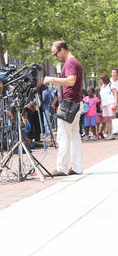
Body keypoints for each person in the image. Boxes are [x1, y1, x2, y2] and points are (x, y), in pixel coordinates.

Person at [43, 41, 83, 176]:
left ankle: (62, 167)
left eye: (56, 54)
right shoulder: (74, 61)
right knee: (74, 136)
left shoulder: (70, 62)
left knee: (63, 136)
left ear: (63, 50)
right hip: (75, 102)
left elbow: (71, 81)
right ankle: (77, 167)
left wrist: (52, 79)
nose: (56, 57)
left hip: (69, 103)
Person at [99, 74, 117, 140]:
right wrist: (101, 103)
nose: (100, 80)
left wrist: (115, 103)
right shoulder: (102, 86)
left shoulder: (111, 85)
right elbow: (102, 96)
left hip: (110, 103)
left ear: (104, 79)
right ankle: (110, 134)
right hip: (104, 104)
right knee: (107, 120)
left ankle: (112, 134)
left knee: (111, 119)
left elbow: (115, 94)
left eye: (101, 79)